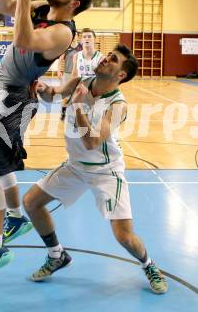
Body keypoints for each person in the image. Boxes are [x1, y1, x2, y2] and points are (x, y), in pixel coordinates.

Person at [0, 0, 92, 283]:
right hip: (4, 93)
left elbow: (23, 39)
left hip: (14, 100)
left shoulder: (63, 33)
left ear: (74, 2)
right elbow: (1, 5)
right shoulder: (39, 7)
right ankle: (15, 218)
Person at [23, 44, 168, 294]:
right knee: (31, 202)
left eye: (113, 59)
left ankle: (149, 264)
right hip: (76, 167)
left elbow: (91, 142)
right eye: (108, 55)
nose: (106, 59)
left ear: (121, 75)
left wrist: (78, 106)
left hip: (106, 172)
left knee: (124, 236)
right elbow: (53, 94)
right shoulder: (82, 81)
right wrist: (42, 88)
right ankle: (57, 255)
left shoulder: (117, 105)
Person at [57, 33, 82, 120]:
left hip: (79, 75)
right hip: (67, 74)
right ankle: (63, 113)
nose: (74, 37)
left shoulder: (81, 47)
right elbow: (60, 59)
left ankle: (76, 115)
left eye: (76, 35)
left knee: (78, 96)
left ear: (78, 37)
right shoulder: (66, 47)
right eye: (73, 35)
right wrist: (59, 70)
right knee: (66, 96)